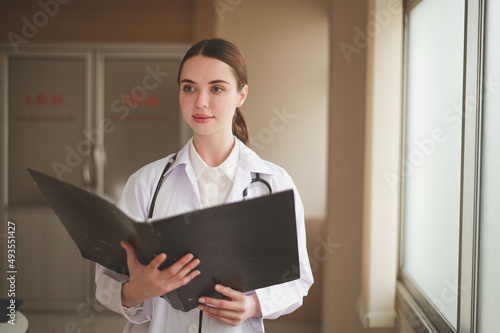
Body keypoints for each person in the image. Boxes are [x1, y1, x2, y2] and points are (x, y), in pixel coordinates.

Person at [95, 38, 313, 333]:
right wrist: (138, 290)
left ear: (241, 94)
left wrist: (252, 306)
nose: (200, 101)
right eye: (189, 87)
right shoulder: (146, 183)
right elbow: (107, 281)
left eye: (217, 88)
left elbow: (297, 281)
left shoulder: (275, 184)